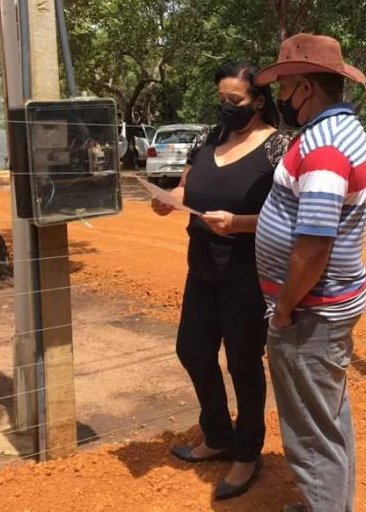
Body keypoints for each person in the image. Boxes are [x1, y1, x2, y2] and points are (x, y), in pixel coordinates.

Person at [150, 59, 290, 501]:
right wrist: (168, 199)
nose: (226, 108)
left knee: (244, 364)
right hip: (203, 266)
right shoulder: (211, 138)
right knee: (191, 349)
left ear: (259, 101)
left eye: (235, 100)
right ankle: (218, 434)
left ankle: (247, 452)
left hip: (249, 273)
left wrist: (240, 223)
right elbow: (187, 187)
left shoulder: (281, 147)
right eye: (221, 100)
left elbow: (287, 214)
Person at [253, 33, 366, 512]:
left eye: (284, 86)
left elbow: (315, 243)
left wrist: (283, 310)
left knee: (308, 429)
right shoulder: (339, 132)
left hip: (310, 313)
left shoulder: (324, 147)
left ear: (305, 87)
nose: (280, 98)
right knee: (327, 415)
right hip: (326, 306)